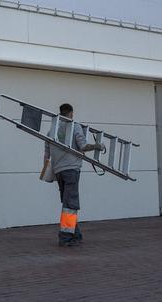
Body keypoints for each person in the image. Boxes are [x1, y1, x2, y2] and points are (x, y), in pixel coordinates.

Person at [41, 103, 97, 247]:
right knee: (70, 205)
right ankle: (65, 237)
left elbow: (47, 155)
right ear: (71, 113)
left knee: (67, 204)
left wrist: (47, 171)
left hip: (59, 171)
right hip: (71, 169)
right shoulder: (74, 126)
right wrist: (98, 146)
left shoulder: (51, 131)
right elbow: (83, 146)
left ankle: (75, 234)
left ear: (60, 113)